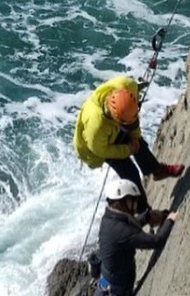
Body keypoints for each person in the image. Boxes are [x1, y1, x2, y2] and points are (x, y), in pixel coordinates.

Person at [73, 74, 184, 209]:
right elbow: (102, 150)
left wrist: (135, 137)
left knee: (140, 145)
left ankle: (157, 170)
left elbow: (132, 121)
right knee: (130, 172)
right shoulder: (96, 127)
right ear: (115, 119)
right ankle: (144, 212)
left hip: (112, 130)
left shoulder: (128, 86)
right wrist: (128, 149)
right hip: (98, 148)